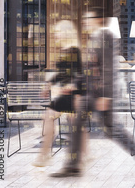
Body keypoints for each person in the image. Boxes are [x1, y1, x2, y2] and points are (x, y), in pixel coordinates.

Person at [51, 8, 135, 177]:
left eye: (88, 18)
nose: (84, 21)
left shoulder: (105, 36)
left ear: (99, 19)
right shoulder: (93, 38)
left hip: (102, 94)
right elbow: (89, 69)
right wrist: (73, 85)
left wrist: (106, 95)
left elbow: (108, 67)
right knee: (76, 122)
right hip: (91, 94)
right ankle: (73, 165)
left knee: (113, 129)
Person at [33, 20, 83, 167]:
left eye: (58, 32)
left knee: (52, 118)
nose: (56, 35)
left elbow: (80, 74)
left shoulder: (74, 50)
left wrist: (72, 85)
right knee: (73, 125)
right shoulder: (65, 50)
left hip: (73, 95)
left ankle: (45, 156)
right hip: (66, 95)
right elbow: (60, 74)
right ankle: (47, 156)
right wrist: (47, 85)